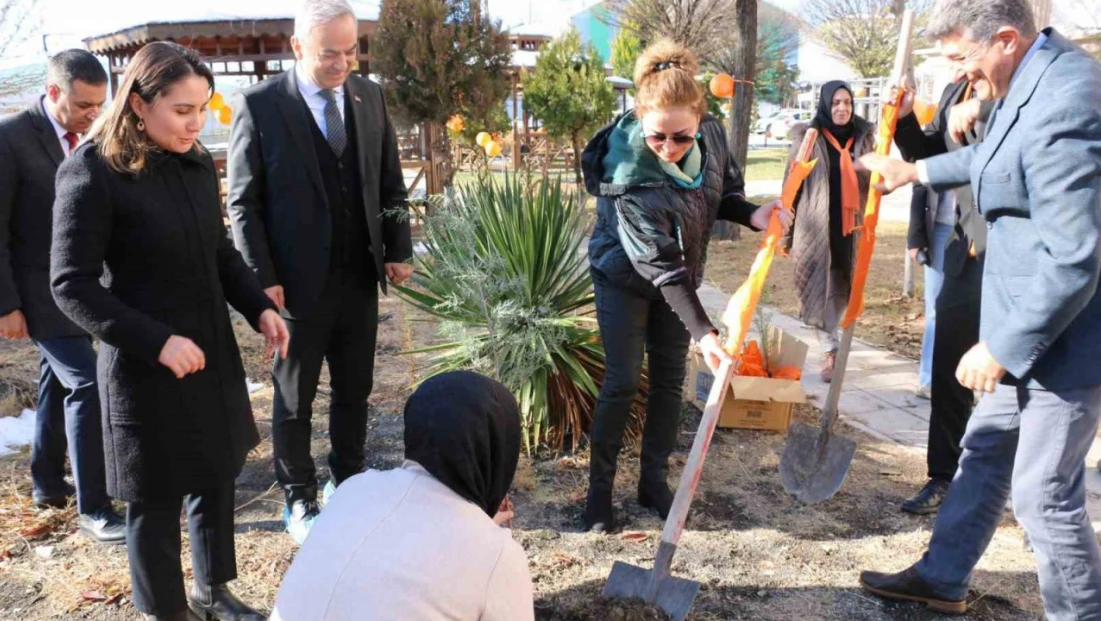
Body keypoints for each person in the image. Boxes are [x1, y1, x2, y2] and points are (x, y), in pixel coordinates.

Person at [856, 0, 1101, 617]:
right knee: (985, 450)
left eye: (962, 58)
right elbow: (992, 159)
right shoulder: (1031, 78)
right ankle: (942, 577)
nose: (959, 75)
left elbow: (1075, 259)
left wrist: (1002, 347)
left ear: (1007, 39)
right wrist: (914, 172)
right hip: (1024, 318)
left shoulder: (1066, 99)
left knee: (1044, 493)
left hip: (1066, 337)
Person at [50, 42, 290, 621]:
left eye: (202, 108)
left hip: (208, 351)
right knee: (154, 501)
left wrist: (258, 306)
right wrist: (156, 341)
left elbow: (219, 252)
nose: (196, 123)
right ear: (138, 103)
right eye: (182, 110)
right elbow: (71, 284)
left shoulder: (193, 163)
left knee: (216, 475)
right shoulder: (93, 171)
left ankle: (213, 591)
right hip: (143, 365)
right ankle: (166, 611)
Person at [580, 39, 788, 533]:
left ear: (699, 120)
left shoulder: (711, 137)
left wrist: (752, 213)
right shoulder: (625, 174)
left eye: (681, 137)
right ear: (640, 119)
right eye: (658, 137)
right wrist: (705, 333)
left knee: (670, 380)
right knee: (622, 381)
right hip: (624, 277)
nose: (670, 148)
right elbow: (659, 264)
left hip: (679, 276)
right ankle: (598, 494)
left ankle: (652, 481)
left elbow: (719, 192)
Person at [227, 0, 413, 544]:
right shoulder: (260, 105)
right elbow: (243, 202)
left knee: (355, 389)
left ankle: (347, 480)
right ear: (298, 47)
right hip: (293, 286)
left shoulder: (369, 96)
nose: (342, 63)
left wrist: (398, 247)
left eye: (351, 50)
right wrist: (261, 277)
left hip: (358, 277)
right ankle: (298, 495)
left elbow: (391, 181)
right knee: (294, 398)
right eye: (329, 52)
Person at [269, 371, 534, 621]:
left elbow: (401, 548)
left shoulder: (354, 488)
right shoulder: (499, 557)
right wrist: (486, 538)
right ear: (499, 451)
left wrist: (482, 530)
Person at [0, 50, 125, 542]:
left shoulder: (95, 136)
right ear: (53, 92)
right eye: (83, 105)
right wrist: (6, 305)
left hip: (81, 287)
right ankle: (95, 508)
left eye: (100, 104)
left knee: (59, 382)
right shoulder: (10, 138)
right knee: (88, 384)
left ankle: (49, 484)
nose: (93, 115)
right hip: (34, 293)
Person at [893, 76, 994, 515]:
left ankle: (1033, 495)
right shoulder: (956, 91)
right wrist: (904, 119)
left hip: (1010, 250)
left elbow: (1000, 159)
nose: (956, 67)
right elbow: (930, 153)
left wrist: (985, 111)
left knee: (1020, 373)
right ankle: (942, 476)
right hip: (962, 250)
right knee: (950, 363)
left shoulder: (1023, 86)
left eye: (960, 54)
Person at [782, 81, 874, 383]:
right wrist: (785, 233)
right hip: (815, 227)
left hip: (852, 227)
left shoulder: (864, 138)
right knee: (816, 289)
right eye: (835, 102)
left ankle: (836, 341)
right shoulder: (809, 138)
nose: (842, 108)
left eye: (847, 102)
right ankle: (830, 350)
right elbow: (791, 186)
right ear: (825, 105)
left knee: (844, 285)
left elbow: (876, 182)